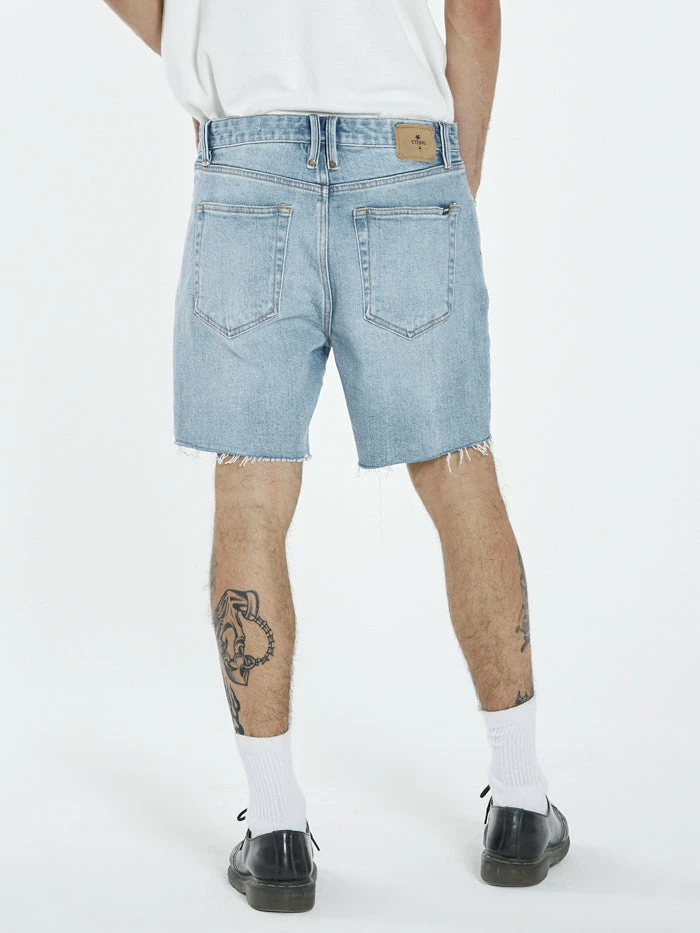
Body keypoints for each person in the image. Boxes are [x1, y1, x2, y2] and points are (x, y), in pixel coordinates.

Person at [104, 0, 570, 913]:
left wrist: (201, 42)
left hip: (246, 156)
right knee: (459, 474)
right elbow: (474, 12)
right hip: (403, 151)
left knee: (249, 495)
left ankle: (276, 831)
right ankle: (520, 801)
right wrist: (458, 166)